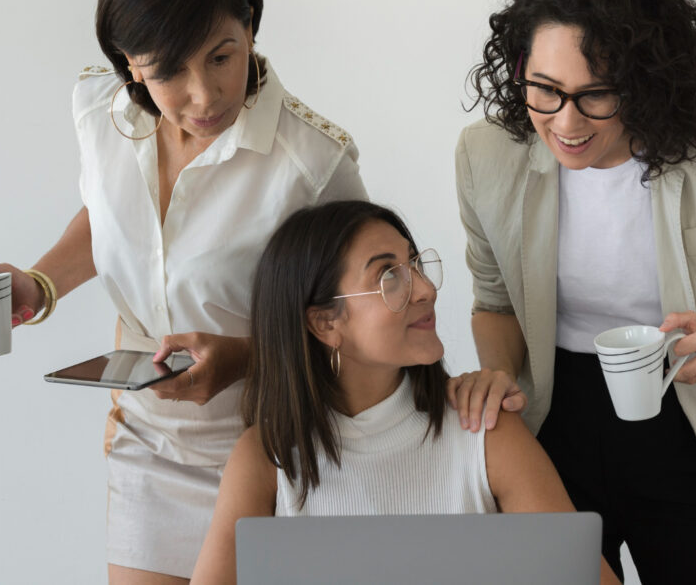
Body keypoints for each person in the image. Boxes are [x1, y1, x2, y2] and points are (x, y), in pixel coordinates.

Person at [0, 0, 367, 584]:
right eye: (168, 71)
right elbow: (110, 214)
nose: (204, 95)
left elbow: (358, 323)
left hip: (276, 443)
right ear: (130, 65)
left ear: (251, 29)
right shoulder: (99, 110)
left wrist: (242, 356)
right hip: (148, 442)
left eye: (222, 56)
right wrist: (40, 283)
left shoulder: (313, 163)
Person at [450, 0, 696, 585]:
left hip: (689, 405)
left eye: (596, 95)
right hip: (555, 407)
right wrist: (499, 372)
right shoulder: (486, 156)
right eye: (545, 91)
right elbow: (494, 301)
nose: (566, 122)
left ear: (645, 81)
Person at [189, 201, 620, 585]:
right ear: (325, 323)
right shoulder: (267, 457)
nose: (427, 290)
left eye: (414, 265)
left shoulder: (485, 430)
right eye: (389, 276)